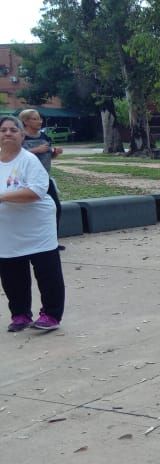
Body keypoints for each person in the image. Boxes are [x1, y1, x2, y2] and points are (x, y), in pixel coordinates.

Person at [0, 116, 65, 332]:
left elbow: (36, 191)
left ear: (22, 135)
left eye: (13, 130)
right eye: (3, 130)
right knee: (11, 273)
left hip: (37, 228)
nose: (7, 133)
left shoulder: (29, 160)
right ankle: (20, 314)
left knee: (47, 271)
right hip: (8, 231)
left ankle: (51, 314)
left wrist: (2, 197)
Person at [19, 109, 63, 250]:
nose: (40, 121)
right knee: (28, 212)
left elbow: (49, 154)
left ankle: (52, 242)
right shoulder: (20, 137)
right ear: (25, 121)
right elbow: (15, 155)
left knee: (55, 208)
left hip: (45, 179)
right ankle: (28, 242)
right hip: (25, 181)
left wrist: (55, 153)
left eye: (39, 118)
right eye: (35, 119)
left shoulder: (44, 136)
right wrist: (36, 150)